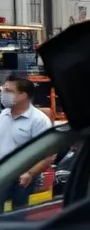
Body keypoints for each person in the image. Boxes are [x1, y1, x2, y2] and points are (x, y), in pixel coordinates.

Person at [0, 74, 53, 209]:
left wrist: (30, 173)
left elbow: (49, 154)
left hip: (21, 177)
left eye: (8, 91)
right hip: (2, 172)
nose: (3, 94)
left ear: (23, 95)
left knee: (18, 215)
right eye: (3, 90)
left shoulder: (38, 120)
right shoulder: (3, 114)